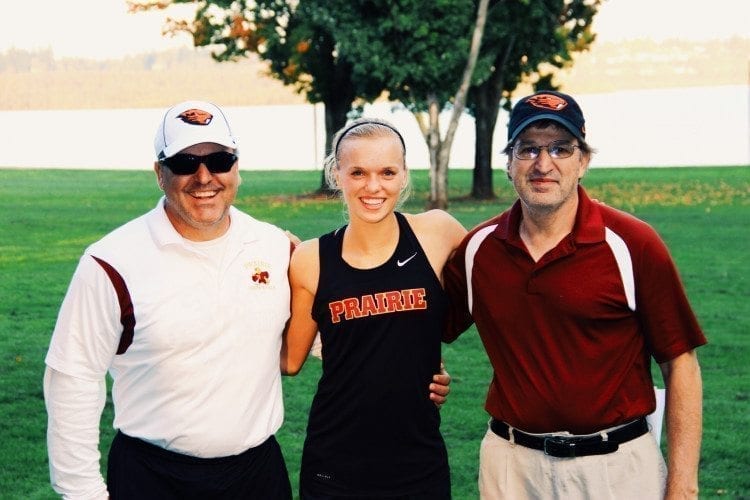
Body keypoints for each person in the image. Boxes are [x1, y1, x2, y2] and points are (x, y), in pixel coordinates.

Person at [443, 90, 707, 499]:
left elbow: (680, 364)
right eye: (528, 149)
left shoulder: (633, 244)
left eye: (561, 149)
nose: (543, 164)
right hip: (511, 467)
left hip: (615, 468)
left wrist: (683, 487)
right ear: (509, 163)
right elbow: (420, 327)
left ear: (583, 161)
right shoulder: (479, 249)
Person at [43, 100, 295, 499]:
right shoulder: (110, 261)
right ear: (159, 173)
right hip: (152, 476)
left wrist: (413, 374)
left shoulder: (275, 246)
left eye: (219, 160)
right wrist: (82, 491)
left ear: (237, 167)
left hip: (258, 474)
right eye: (183, 163)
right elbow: (73, 378)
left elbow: (327, 338)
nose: (204, 176)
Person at [281, 118, 467, 499]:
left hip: (418, 463)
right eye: (358, 172)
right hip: (335, 465)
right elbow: (290, 361)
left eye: (387, 172)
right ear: (337, 174)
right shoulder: (311, 258)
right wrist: (261, 249)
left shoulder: (438, 233)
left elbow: (498, 267)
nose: (373, 186)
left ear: (404, 175)